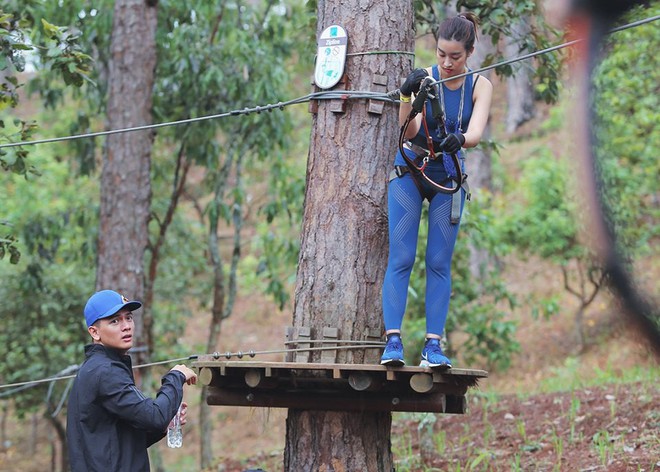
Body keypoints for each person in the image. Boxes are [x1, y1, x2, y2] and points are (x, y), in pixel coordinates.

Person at [381, 12, 493, 368]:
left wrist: (458, 138)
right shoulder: (426, 79)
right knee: (401, 257)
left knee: (438, 263)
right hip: (411, 169)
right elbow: (408, 129)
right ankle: (393, 343)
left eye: (455, 56)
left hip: (449, 175)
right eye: (441, 54)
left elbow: (474, 132)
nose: (446, 62)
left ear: (470, 52)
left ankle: (433, 346)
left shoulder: (480, 86)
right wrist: (405, 95)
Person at [66, 289, 198, 472]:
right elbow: (155, 416)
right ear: (95, 332)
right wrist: (176, 376)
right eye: (114, 321)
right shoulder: (105, 371)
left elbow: (123, 443)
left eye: (128, 317)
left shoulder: (101, 367)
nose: (126, 326)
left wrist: (164, 424)